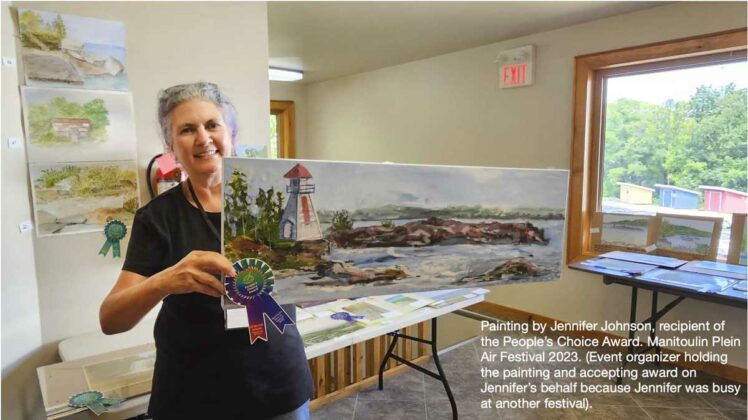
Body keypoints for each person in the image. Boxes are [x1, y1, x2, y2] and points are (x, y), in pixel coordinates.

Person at [99, 82, 314, 420]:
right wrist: (165, 281)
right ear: (171, 145)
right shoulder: (158, 218)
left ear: (231, 133)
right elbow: (110, 320)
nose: (202, 138)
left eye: (212, 125)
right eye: (187, 129)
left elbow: (307, 280)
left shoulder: (276, 201)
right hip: (194, 395)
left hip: (279, 384)